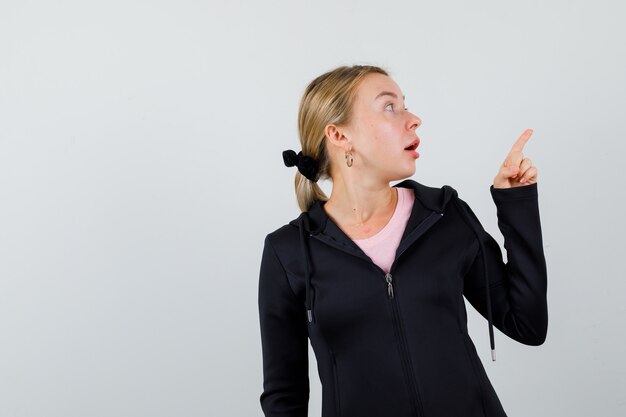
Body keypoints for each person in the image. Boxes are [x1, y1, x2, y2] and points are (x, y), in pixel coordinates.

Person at [257, 64, 548, 417]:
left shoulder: (445, 217)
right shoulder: (287, 252)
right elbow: (284, 396)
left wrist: (515, 204)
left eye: (405, 104)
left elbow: (528, 324)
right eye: (389, 106)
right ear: (339, 136)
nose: (414, 119)